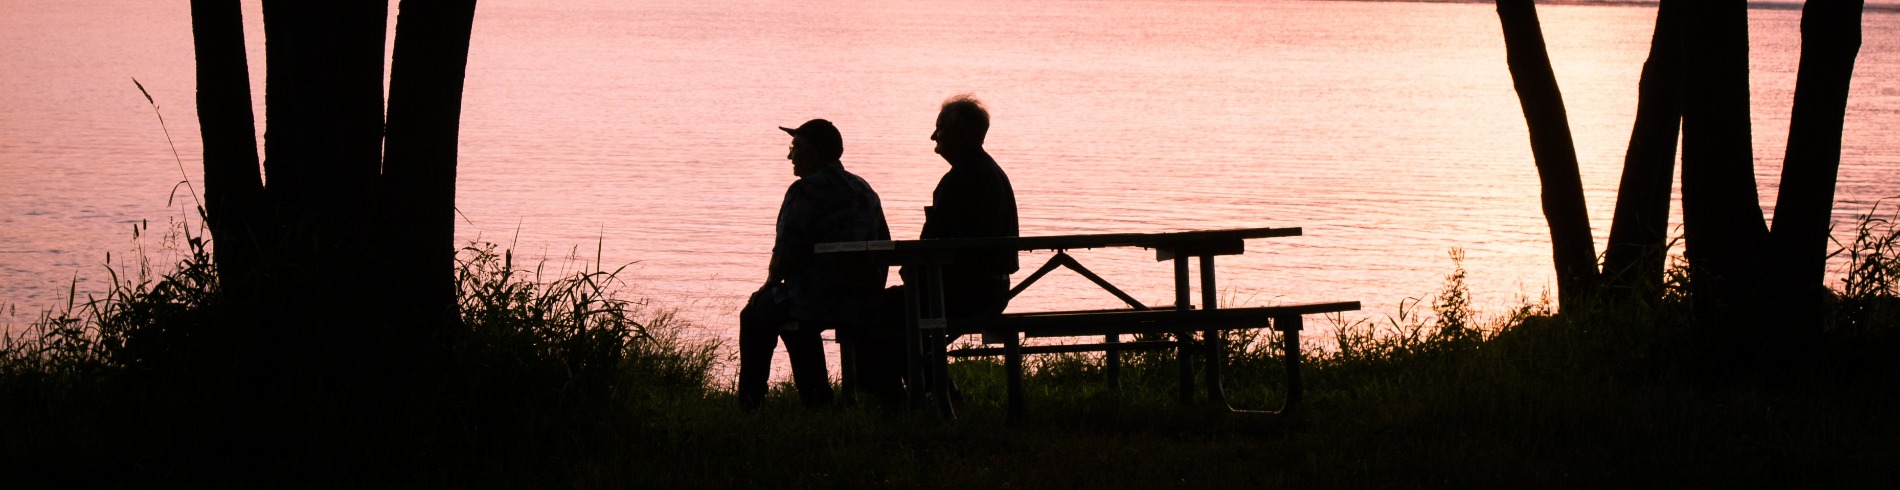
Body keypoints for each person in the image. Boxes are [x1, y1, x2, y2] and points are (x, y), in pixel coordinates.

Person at [858, 94, 1020, 398]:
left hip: (964, 292)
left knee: (872, 309)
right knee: (900, 309)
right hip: (991, 289)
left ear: (964, 134)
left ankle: (886, 398)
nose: (934, 136)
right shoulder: (988, 174)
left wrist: (909, 274)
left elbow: (932, 244)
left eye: (941, 128)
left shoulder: (963, 180)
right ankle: (936, 389)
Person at [738, 119, 891, 410]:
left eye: (794, 147)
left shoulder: (805, 190)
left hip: (818, 298)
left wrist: (768, 286)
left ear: (811, 152)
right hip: (864, 298)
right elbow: (883, 243)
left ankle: (751, 402)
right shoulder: (864, 190)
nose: (789, 156)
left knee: (757, 312)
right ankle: (816, 396)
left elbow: (787, 248)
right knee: (790, 310)